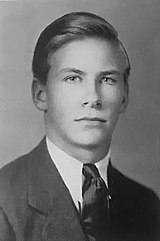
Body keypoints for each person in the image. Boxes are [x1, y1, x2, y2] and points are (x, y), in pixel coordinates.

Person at [0, 11, 159, 241]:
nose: (93, 98)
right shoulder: (5, 202)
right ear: (41, 94)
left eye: (108, 79)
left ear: (124, 96)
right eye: (73, 78)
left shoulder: (146, 205)